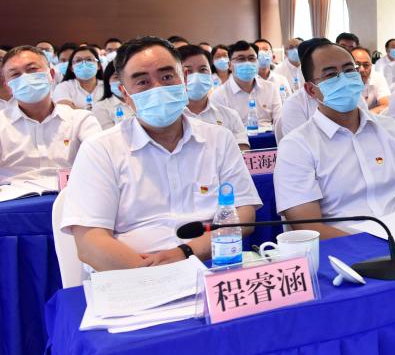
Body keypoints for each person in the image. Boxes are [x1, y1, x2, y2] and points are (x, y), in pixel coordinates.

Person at [61, 37, 261, 271]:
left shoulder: (219, 139)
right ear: (125, 94)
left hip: (212, 264)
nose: (158, 88)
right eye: (143, 82)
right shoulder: (100, 149)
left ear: (184, 80)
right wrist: (156, 276)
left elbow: (244, 214)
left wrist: (186, 253)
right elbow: (90, 243)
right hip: (132, 275)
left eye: (167, 77)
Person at [274, 40, 395, 238]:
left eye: (349, 70)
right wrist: (377, 245)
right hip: (344, 248)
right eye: (331, 75)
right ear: (311, 90)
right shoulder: (297, 147)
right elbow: (310, 227)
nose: (344, 79)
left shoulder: (393, 130)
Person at [0, 46, 101, 191]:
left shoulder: (81, 120)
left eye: (32, 69)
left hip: (71, 198)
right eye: (15, 74)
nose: (25, 77)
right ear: (8, 86)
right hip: (12, 201)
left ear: (51, 74)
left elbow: (101, 163)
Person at [179, 45, 249, 150]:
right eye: (188, 71)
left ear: (211, 73)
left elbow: (243, 152)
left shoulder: (230, 116)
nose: (196, 76)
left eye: (203, 69)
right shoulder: (170, 119)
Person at [209, 40, 283, 128]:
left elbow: (280, 122)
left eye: (252, 58)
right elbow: (220, 129)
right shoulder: (219, 95)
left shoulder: (271, 88)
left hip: (269, 135)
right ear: (229, 65)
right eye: (241, 59)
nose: (247, 63)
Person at [52, 44, 104, 109]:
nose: (84, 64)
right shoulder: (63, 87)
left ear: (98, 65)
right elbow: (66, 109)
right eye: (78, 60)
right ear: (71, 68)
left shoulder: (107, 86)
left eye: (89, 59)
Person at [91, 63, 135, 129]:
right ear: (108, 81)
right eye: (116, 77)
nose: (122, 81)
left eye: (126, 76)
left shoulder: (140, 100)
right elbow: (108, 133)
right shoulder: (101, 107)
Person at [353, 46, 389, 113]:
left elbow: (386, 105)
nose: (361, 70)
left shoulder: (377, 77)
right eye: (356, 65)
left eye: (366, 65)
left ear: (371, 66)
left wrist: (365, 116)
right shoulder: (340, 81)